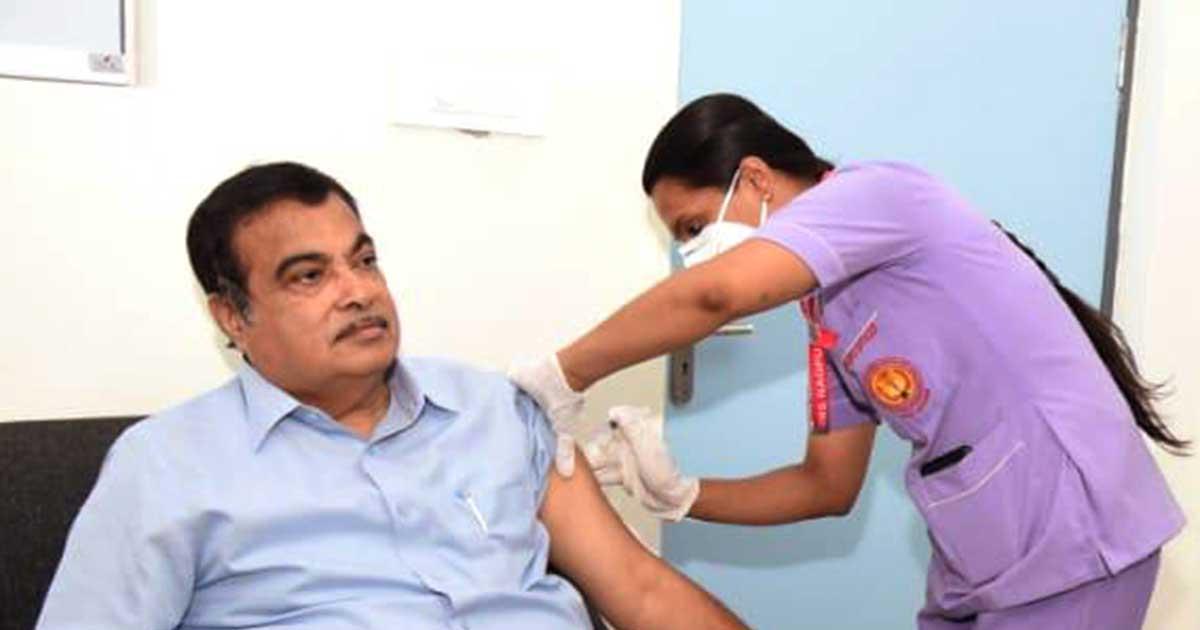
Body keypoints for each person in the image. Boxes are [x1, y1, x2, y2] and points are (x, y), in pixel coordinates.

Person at [509, 93, 1188, 629]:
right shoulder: (828, 312)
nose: (693, 252)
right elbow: (825, 487)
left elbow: (714, 294)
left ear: (755, 179)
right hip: (985, 558)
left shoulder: (875, 194)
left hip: (1071, 542)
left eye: (693, 227)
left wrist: (563, 374)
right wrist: (682, 494)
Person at [36, 162, 746, 630]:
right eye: (309, 276)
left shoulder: (496, 410)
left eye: (365, 260)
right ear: (232, 317)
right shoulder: (165, 466)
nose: (358, 291)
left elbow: (641, 592)